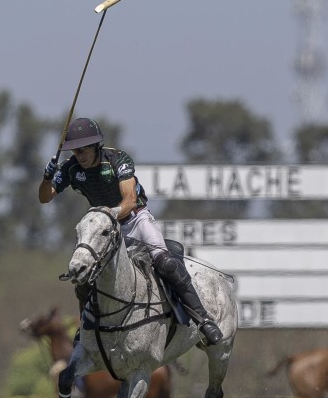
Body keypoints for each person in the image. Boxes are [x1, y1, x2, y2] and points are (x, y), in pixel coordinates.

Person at [39, 117, 223, 345]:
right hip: (107, 230)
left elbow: (129, 200)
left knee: (166, 263)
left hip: (135, 220)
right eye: (76, 152)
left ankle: (203, 320)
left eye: (83, 150)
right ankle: (86, 329)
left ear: (96, 146)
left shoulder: (117, 159)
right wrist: (47, 177)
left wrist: (106, 216)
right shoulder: (71, 168)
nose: (80, 156)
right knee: (84, 277)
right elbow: (44, 197)